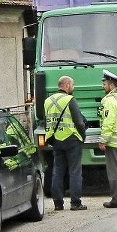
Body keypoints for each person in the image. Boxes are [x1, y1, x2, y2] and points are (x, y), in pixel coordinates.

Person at [45, 75, 88, 211]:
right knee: (74, 171)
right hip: (72, 139)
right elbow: (79, 122)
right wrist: (83, 136)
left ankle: (58, 203)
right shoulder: (70, 100)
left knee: (57, 171)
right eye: (73, 85)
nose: (73, 88)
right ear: (67, 85)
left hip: (56, 139)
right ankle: (75, 203)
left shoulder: (47, 101)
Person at [99, 69, 117, 209]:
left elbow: (109, 121)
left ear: (111, 85)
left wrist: (103, 139)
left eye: (104, 84)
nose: (103, 86)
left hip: (113, 140)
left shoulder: (110, 101)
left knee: (114, 171)